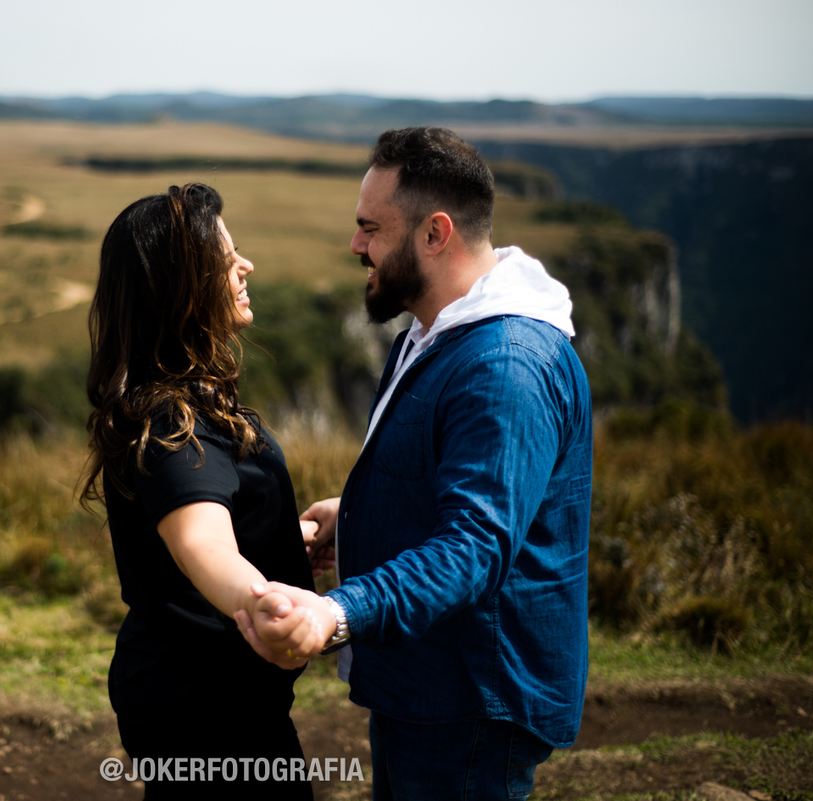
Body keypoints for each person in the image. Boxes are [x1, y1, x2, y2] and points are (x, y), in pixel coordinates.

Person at [235, 127, 593, 800]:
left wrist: (336, 612)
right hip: (431, 683)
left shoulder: (505, 366)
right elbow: (455, 484)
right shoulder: (436, 333)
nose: (355, 245)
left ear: (435, 233)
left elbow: (476, 544)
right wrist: (359, 514)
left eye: (371, 229)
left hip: (471, 699)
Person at [82, 183, 316, 800]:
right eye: (227, 259)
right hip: (210, 718)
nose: (246, 266)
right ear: (182, 287)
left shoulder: (179, 399)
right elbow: (201, 544)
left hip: (199, 701)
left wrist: (289, 538)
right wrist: (265, 604)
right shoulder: (174, 420)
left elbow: (205, 527)